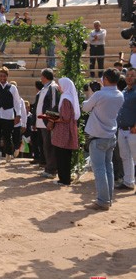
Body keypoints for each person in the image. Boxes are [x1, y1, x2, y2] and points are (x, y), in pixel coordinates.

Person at [82, 69, 125, 210]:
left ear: (105, 78)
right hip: (110, 135)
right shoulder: (120, 94)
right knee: (108, 168)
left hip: (98, 137)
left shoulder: (100, 94)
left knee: (100, 169)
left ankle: (103, 200)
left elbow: (85, 107)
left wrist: (91, 93)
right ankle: (108, 199)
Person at [47, 77, 80, 186]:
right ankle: (65, 178)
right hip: (67, 129)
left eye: (60, 85)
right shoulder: (68, 97)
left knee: (62, 155)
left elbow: (65, 117)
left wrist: (53, 118)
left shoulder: (65, 98)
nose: (58, 87)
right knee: (66, 155)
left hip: (63, 131)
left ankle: (64, 179)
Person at [0, 67, 22, 163]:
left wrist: (18, 115)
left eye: (4, 76)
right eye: (1, 76)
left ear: (7, 76)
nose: (2, 78)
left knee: (7, 136)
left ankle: (8, 153)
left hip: (8, 114)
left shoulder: (12, 88)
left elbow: (17, 102)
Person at [34, 69, 60, 178]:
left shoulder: (53, 87)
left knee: (49, 146)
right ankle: (48, 168)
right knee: (46, 146)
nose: (40, 78)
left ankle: (52, 170)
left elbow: (54, 104)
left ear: (45, 76)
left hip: (48, 122)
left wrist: (51, 120)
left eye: (41, 76)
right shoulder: (44, 88)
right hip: (41, 122)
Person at [116, 68, 136, 192]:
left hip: (133, 129)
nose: (129, 77)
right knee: (125, 156)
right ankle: (128, 182)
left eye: (132, 75)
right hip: (122, 129)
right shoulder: (124, 91)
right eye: (127, 75)